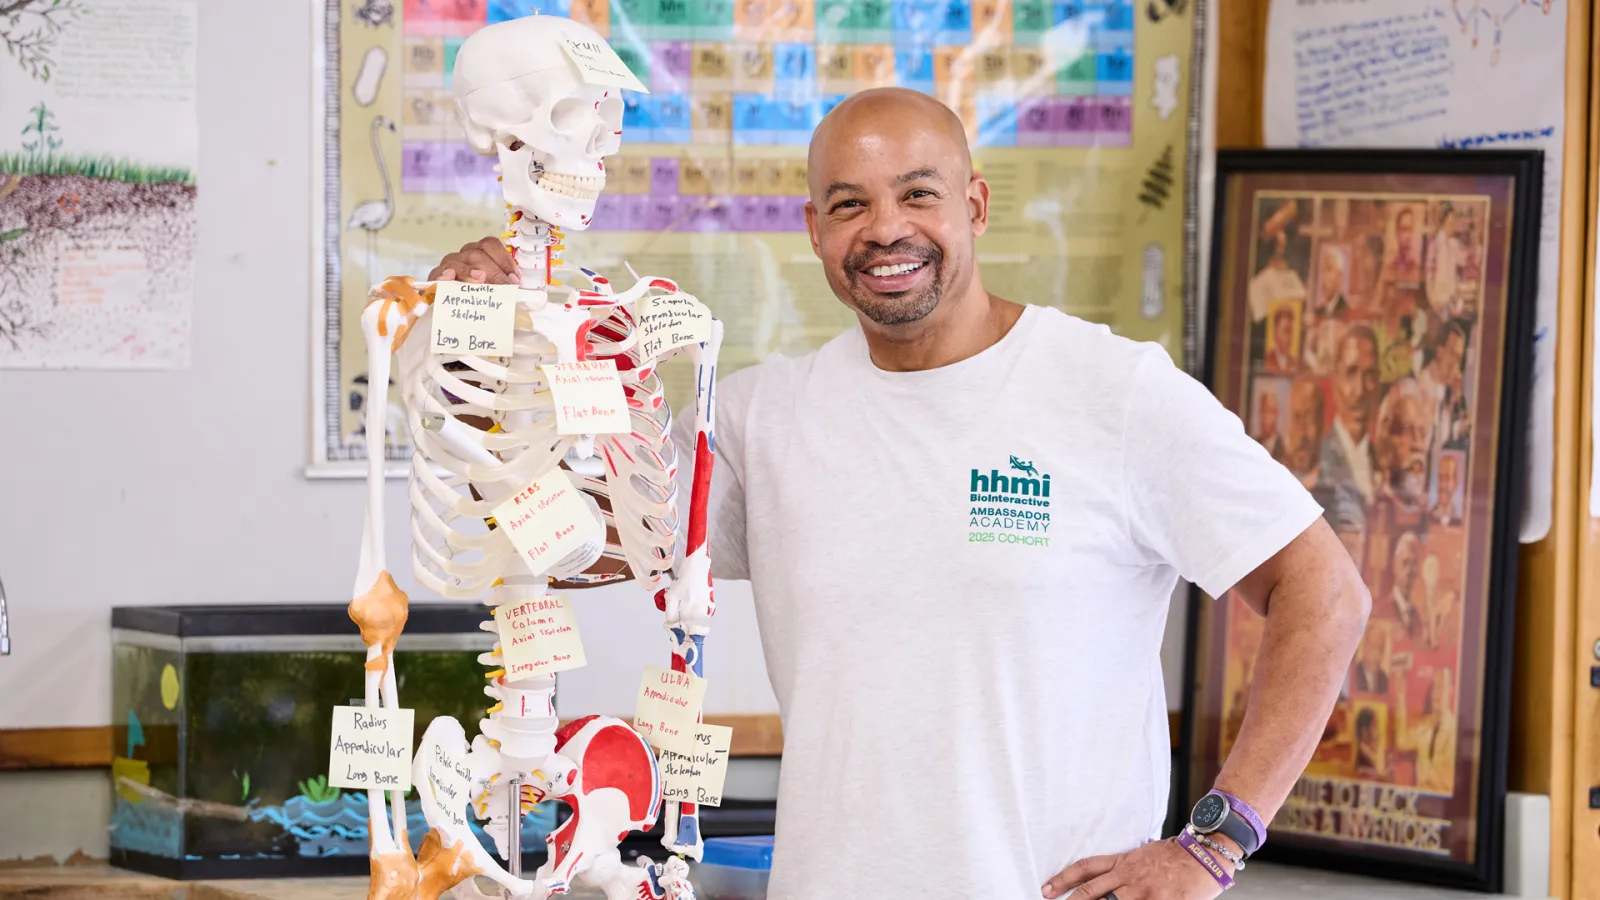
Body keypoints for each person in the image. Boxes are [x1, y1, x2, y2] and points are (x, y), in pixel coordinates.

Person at [431, 87, 1371, 900]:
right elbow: (573, 550)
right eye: (849, 204)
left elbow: (1325, 596)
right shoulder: (763, 418)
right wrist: (481, 358)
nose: (885, 229)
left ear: (975, 204)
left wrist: (1213, 845)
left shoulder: (1113, 392)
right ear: (814, 231)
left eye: (918, 194)